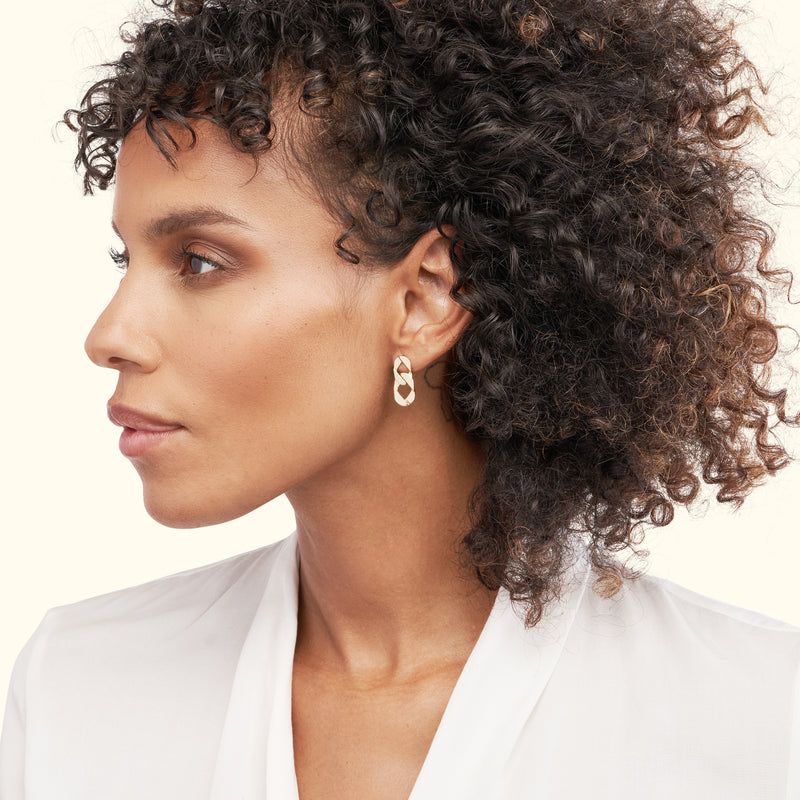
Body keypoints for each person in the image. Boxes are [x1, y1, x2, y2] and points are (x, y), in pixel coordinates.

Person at [1, 0, 798, 797]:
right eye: (125, 257)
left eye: (201, 261)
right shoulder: (78, 689)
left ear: (421, 302)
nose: (109, 335)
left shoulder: (750, 722)